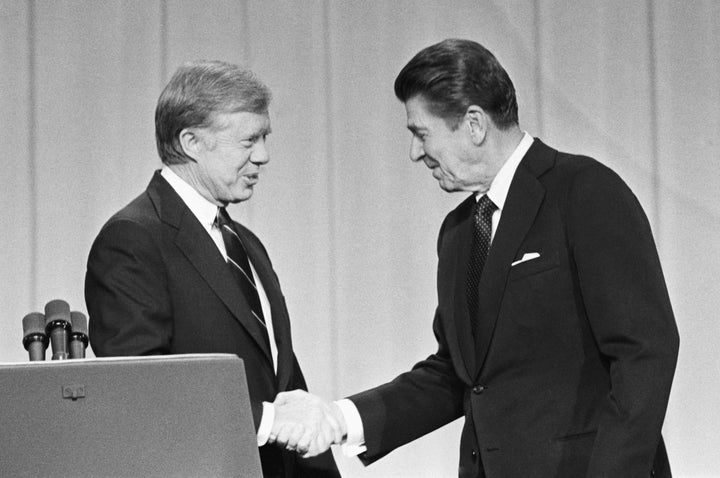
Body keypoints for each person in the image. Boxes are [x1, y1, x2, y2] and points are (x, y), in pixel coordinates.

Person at [270, 39, 680, 477]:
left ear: (474, 124)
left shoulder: (584, 192)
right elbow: (456, 375)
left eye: (420, 133)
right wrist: (338, 419)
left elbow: (645, 351)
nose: (414, 153)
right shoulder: (459, 231)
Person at [85, 60, 341, 478]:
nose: (264, 156)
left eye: (265, 137)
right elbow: (139, 389)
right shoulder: (133, 240)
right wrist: (269, 422)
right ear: (191, 142)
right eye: (248, 141)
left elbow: (282, 379)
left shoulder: (244, 242)